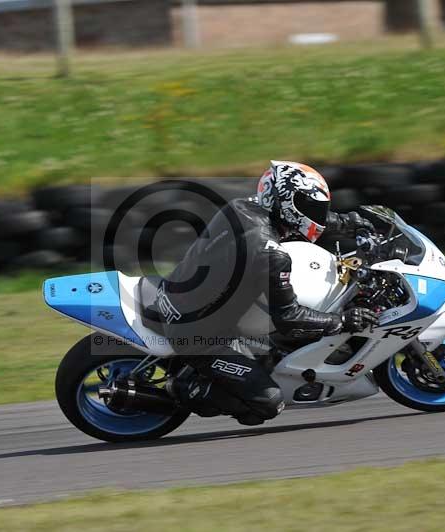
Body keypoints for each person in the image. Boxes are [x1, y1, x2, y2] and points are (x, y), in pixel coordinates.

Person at [150, 161, 380, 426]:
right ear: (286, 203)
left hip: (180, 297)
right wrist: (342, 321)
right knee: (268, 403)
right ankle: (180, 390)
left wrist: (350, 222)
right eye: (309, 206)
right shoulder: (269, 253)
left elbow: (301, 218)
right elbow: (289, 318)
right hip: (199, 336)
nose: (315, 213)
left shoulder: (242, 206)